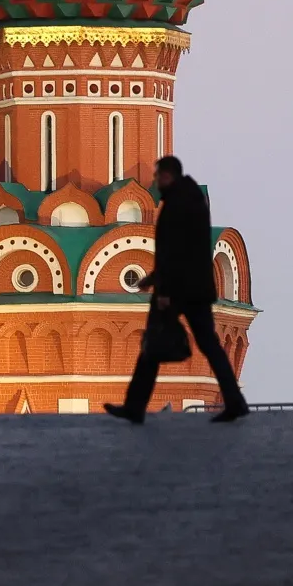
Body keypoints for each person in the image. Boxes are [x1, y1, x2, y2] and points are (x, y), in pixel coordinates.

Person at [105, 155, 248, 425]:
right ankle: (234, 401)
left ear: (168, 176)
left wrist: (163, 289)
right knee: (203, 346)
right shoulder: (188, 198)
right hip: (194, 287)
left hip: (180, 288)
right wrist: (155, 277)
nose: (155, 181)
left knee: (154, 345)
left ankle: (135, 407)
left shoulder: (179, 203)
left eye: (158, 176)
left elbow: (176, 251)